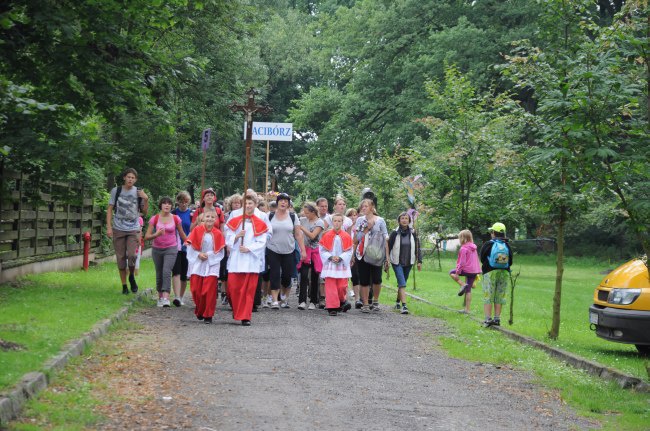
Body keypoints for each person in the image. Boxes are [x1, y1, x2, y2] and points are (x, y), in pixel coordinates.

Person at [225, 193, 269, 326]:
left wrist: (249, 248)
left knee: (248, 290)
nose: (248, 206)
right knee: (233, 288)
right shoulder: (235, 220)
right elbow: (228, 235)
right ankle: (237, 311)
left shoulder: (260, 222)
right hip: (237, 259)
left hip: (250, 260)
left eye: (251, 203)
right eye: (246, 203)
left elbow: (262, 241)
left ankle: (246, 316)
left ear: (255, 205)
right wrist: (237, 236)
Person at [106, 168, 149, 295]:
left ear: (135, 180)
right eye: (128, 177)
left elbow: (144, 212)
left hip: (133, 229)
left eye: (133, 178)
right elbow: (109, 209)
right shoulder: (116, 191)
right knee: (120, 257)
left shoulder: (139, 192)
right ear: (124, 177)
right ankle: (124, 286)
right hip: (118, 228)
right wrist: (109, 227)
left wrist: (146, 199)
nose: (130, 179)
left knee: (132, 255)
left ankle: (131, 277)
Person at [144, 197, 188, 307]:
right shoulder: (155, 218)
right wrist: (156, 235)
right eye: (164, 203)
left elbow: (182, 233)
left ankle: (166, 296)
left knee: (166, 271)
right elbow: (147, 236)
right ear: (161, 206)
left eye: (169, 204)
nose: (167, 205)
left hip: (171, 248)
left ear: (171, 206)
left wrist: (190, 243)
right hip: (157, 249)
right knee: (159, 272)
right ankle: (160, 296)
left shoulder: (175, 218)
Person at [266, 193, 306, 309]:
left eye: (285, 201)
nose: (283, 202)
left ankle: (284, 296)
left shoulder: (293, 216)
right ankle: (274, 300)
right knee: (274, 274)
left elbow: (298, 234)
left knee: (287, 276)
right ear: (277, 202)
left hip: (289, 250)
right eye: (281, 200)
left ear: (288, 204)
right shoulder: (270, 215)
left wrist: (303, 250)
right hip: (273, 249)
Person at [185, 212, 225, 324]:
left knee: (209, 290)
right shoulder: (196, 231)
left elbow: (220, 251)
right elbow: (190, 246)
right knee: (196, 290)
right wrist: (198, 254)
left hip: (212, 263)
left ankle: (208, 314)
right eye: (208, 216)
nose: (210, 219)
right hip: (197, 262)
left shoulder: (218, 233)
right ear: (203, 218)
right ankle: (200, 310)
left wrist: (209, 255)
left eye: (213, 217)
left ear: (216, 220)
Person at [352, 198, 389, 313]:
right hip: (362, 254)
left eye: (366, 206)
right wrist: (367, 228)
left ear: (372, 207)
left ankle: (376, 301)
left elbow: (385, 238)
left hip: (376, 254)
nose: (363, 208)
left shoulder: (380, 221)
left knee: (377, 279)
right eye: (362, 206)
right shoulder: (359, 220)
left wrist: (387, 258)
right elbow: (356, 239)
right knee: (364, 280)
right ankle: (366, 304)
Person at [387, 212, 422, 315]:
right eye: (402, 218)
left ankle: (397, 301)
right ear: (399, 220)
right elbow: (388, 247)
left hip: (409, 261)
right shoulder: (394, 233)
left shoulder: (413, 233)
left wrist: (419, 261)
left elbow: (417, 247)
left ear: (409, 221)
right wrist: (386, 260)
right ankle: (404, 306)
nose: (404, 220)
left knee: (402, 283)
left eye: (406, 218)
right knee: (402, 282)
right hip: (396, 262)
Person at [479, 222, 513, 327]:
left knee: (488, 295)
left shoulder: (488, 244)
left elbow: (482, 258)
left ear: (493, 232)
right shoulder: (506, 244)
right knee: (499, 296)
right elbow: (510, 261)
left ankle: (488, 319)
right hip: (504, 272)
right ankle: (497, 319)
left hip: (490, 272)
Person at [319, 214, 353, 316]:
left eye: (339, 221)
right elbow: (322, 249)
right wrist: (330, 257)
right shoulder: (327, 235)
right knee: (330, 286)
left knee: (342, 286)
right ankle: (332, 307)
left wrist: (341, 257)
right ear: (332, 222)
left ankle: (342, 300)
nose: (337, 223)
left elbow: (349, 251)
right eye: (335, 221)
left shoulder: (346, 236)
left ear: (342, 222)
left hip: (342, 264)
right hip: (330, 264)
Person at [297, 201, 325, 310]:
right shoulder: (302, 220)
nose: (305, 215)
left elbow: (313, 236)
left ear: (313, 212)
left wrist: (302, 228)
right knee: (303, 276)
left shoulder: (320, 222)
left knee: (314, 276)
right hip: (305, 250)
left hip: (315, 251)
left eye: (307, 213)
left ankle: (313, 300)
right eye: (304, 213)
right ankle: (302, 301)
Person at [449, 229, 481, 314]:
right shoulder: (474, 247)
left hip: (467, 270)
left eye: (460, 238)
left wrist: (457, 273)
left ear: (463, 238)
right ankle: (467, 310)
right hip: (474, 271)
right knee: (468, 290)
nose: (459, 240)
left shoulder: (463, 248)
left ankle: (463, 284)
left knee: (451, 272)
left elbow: (462, 262)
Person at [171, 191, 192, 306]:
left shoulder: (191, 214)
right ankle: (177, 296)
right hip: (175, 246)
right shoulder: (173, 213)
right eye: (181, 202)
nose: (183, 204)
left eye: (185, 202)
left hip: (188, 247)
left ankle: (182, 296)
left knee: (184, 274)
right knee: (176, 271)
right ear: (177, 202)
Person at [346, 208, 362, 308]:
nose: (353, 217)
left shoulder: (360, 227)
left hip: (355, 254)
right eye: (350, 215)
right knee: (344, 277)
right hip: (345, 254)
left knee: (355, 276)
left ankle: (357, 299)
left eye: (355, 215)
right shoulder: (344, 227)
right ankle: (345, 298)